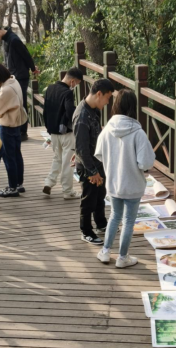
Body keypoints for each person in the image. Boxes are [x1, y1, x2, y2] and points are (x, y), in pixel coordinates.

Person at [95, 89, 155, 268]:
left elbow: (99, 154)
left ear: (116, 105)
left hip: (114, 183)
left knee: (114, 216)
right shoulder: (138, 132)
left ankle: (105, 251)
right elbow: (145, 163)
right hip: (133, 185)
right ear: (133, 107)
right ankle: (122, 257)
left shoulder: (107, 130)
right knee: (128, 221)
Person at [73, 78, 114, 245]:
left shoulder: (94, 109)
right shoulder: (82, 116)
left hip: (97, 161)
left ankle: (101, 223)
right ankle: (86, 231)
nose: (108, 102)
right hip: (88, 165)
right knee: (88, 199)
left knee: (100, 196)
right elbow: (81, 149)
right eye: (107, 98)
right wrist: (93, 172)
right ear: (99, 94)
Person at [0, 21, 39, 142]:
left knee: (21, 102)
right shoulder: (5, 39)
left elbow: (25, 54)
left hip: (20, 75)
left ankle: (23, 132)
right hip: (13, 74)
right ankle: (16, 128)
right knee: (16, 102)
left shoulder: (14, 40)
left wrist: (32, 68)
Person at [43, 68, 83, 200]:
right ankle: (67, 191)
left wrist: (49, 128)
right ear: (72, 81)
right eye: (76, 83)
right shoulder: (68, 93)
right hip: (66, 133)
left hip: (53, 132)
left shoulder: (50, 88)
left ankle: (49, 182)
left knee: (57, 158)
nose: (75, 86)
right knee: (67, 162)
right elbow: (70, 111)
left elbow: (45, 110)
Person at [0, 62, 26, 198]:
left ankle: (12, 187)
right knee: (16, 154)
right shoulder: (14, 81)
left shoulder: (5, 90)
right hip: (17, 122)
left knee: (9, 157)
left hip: (7, 124)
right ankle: (19, 183)